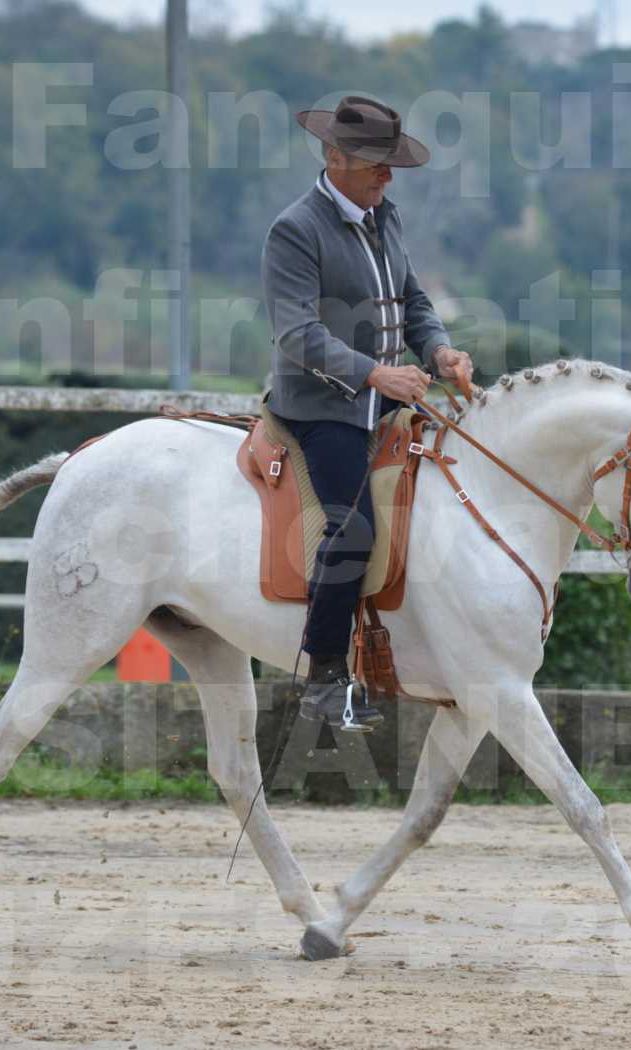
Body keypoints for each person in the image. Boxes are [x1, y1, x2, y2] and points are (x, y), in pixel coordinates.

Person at [261, 95, 473, 731]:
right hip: (320, 405)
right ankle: (325, 679)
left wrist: (439, 351)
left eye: (391, 164)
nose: (387, 175)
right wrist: (374, 372)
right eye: (378, 164)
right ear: (335, 157)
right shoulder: (296, 230)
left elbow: (412, 301)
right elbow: (296, 332)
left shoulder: (387, 217)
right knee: (352, 528)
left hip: (388, 397)